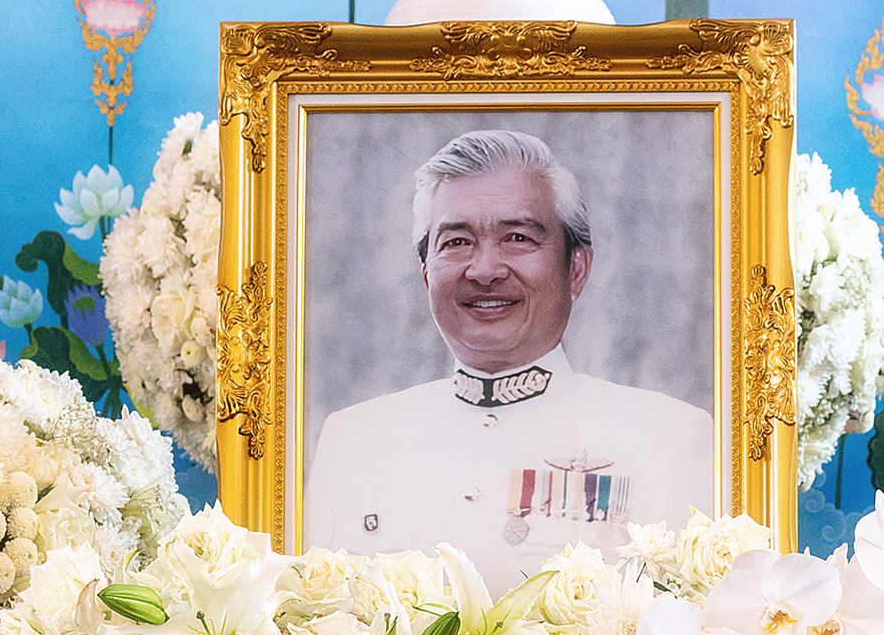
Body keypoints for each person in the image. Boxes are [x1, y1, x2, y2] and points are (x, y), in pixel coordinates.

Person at [304, 128, 716, 590]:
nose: (484, 271)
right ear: (426, 274)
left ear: (576, 268)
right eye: (456, 242)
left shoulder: (669, 439)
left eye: (517, 238)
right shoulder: (355, 442)